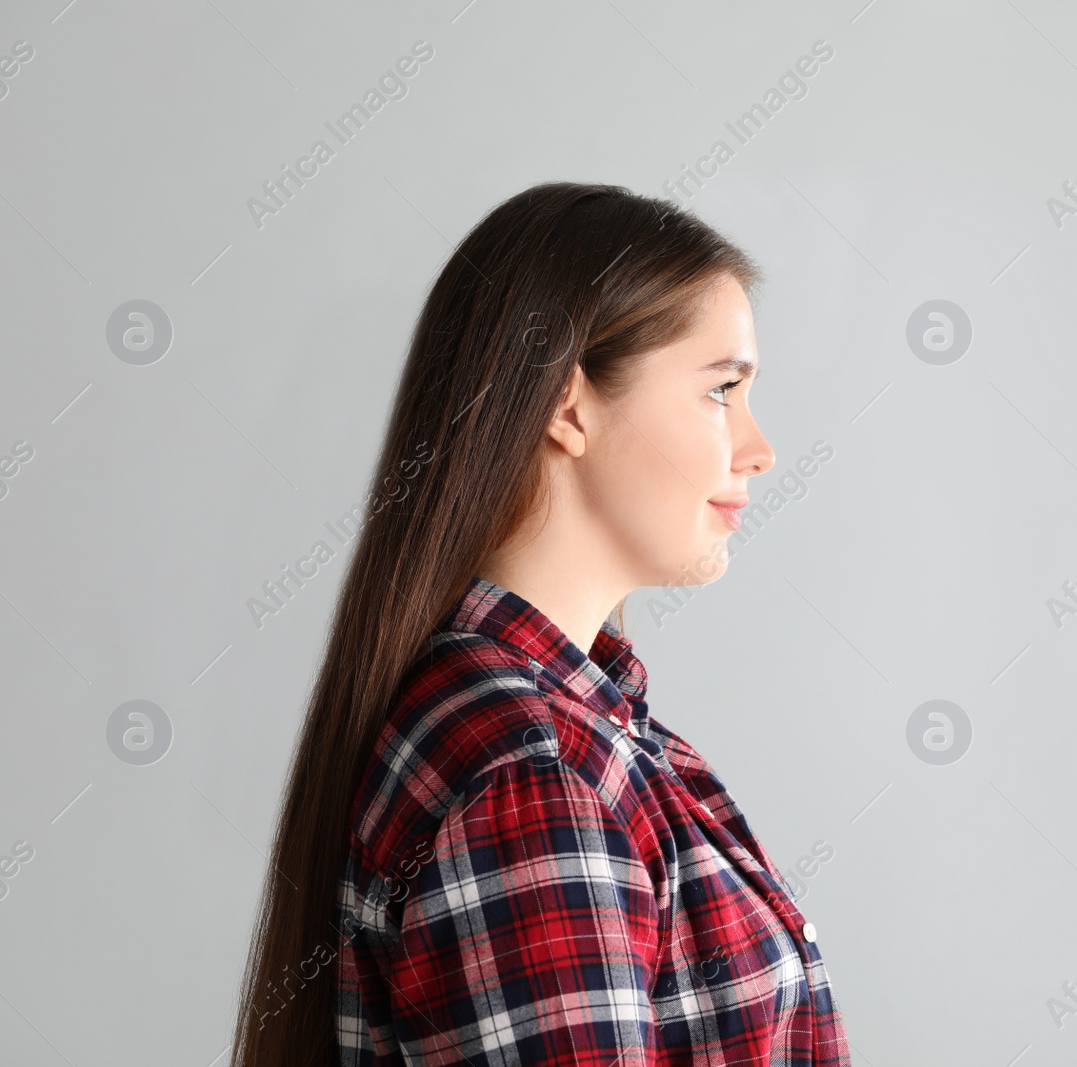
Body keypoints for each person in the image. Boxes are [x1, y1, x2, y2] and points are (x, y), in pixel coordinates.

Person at [231, 181, 851, 1065]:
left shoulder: (588, 736)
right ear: (569, 407)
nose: (759, 447)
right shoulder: (533, 780)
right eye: (722, 388)